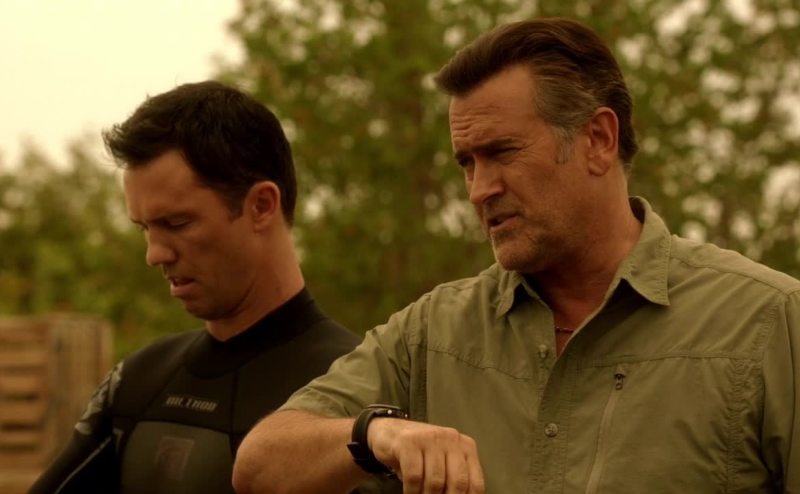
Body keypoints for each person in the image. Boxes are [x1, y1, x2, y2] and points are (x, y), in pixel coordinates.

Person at [231, 17, 800, 494]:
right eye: (467, 163)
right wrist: (376, 434)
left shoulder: (768, 321)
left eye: (502, 152)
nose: (479, 190)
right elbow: (259, 465)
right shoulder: (431, 335)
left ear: (598, 140)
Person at [30, 81, 362, 494]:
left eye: (177, 223)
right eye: (144, 228)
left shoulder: (357, 385)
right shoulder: (138, 383)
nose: (154, 254)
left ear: (261, 206)